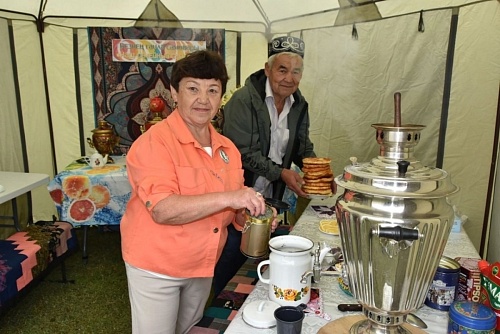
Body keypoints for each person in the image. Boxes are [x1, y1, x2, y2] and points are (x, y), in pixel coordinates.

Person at [120, 50, 278, 334]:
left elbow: (233, 215)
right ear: (174, 93)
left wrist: (255, 215)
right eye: (193, 89)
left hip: (203, 263)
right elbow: (163, 209)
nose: (203, 99)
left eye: (212, 90)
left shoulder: (227, 149)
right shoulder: (154, 144)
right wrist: (234, 197)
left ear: (221, 97)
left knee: (190, 329)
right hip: (158, 267)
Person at [213, 36, 336, 297]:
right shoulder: (243, 100)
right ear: (267, 69)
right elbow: (243, 153)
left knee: (265, 259)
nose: (289, 78)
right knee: (232, 255)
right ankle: (219, 305)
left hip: (272, 197)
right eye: (282, 69)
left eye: (296, 71)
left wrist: (318, 174)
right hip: (239, 194)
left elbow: (302, 147)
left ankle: (259, 301)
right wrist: (282, 173)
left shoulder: (299, 105)